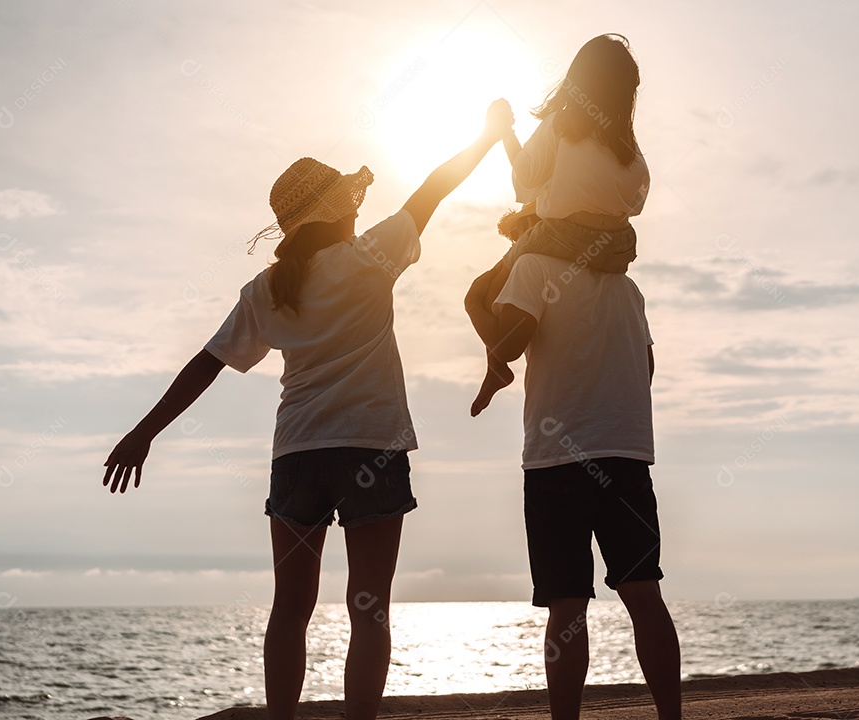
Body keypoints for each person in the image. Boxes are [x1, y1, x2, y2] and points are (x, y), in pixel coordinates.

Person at [101, 99, 514, 720]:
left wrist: (143, 433)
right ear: (344, 209)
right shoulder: (373, 256)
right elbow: (435, 187)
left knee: (289, 609)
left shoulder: (268, 288)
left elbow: (206, 363)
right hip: (372, 446)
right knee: (368, 607)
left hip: (298, 454)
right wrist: (488, 136)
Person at [463, 40, 681, 720]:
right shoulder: (631, 286)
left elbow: (528, 184)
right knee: (644, 595)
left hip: (557, 458)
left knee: (566, 608)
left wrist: (502, 134)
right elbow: (644, 368)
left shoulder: (533, 267)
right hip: (625, 452)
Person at [467, 33, 651, 417]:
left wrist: (505, 133)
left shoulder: (560, 126)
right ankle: (494, 367)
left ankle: (496, 366)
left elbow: (526, 179)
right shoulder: (629, 149)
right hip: (616, 248)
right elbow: (635, 200)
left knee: (482, 292)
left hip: (561, 237)